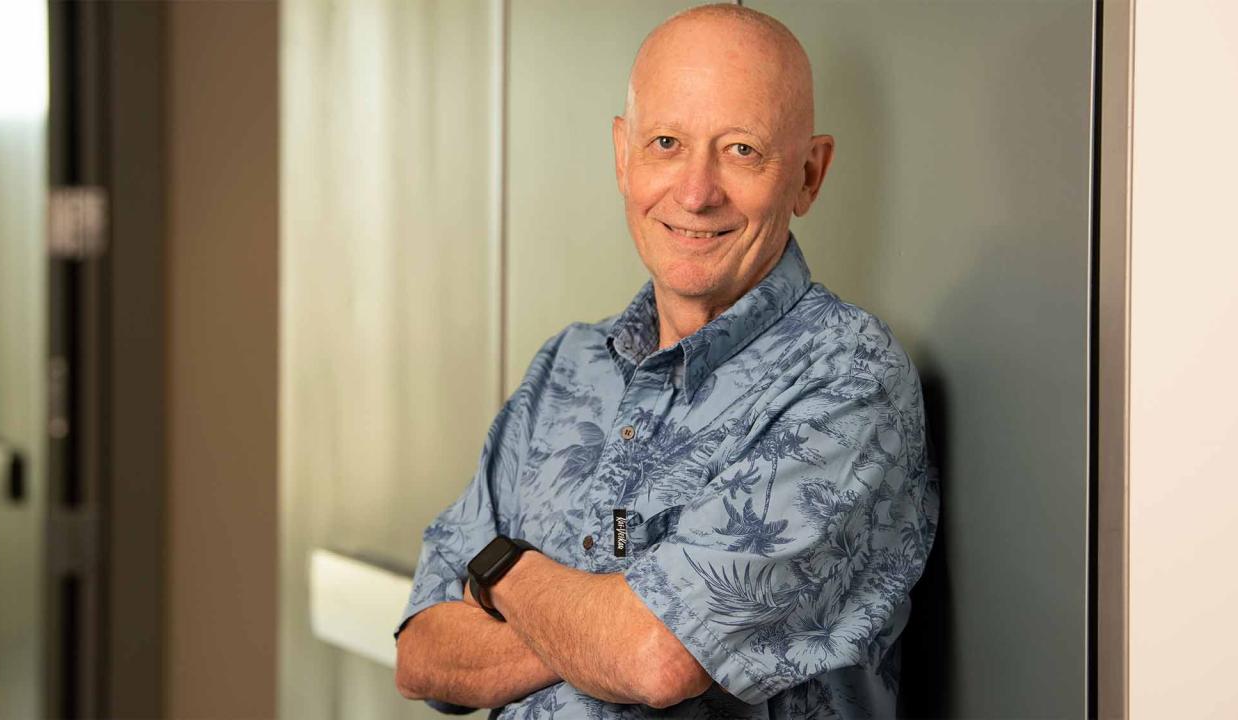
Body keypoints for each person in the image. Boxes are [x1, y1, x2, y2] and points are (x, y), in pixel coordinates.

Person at [393, 4, 938, 718]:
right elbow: (423, 653)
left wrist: (500, 574)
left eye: (741, 150)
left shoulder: (848, 377)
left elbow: (654, 657)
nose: (695, 192)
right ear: (624, 157)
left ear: (809, 174)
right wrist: (605, 623)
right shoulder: (567, 367)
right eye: (666, 142)